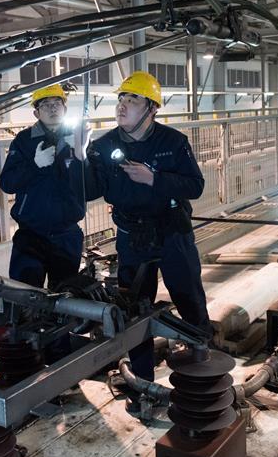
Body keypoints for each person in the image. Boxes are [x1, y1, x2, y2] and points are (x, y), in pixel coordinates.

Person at [71, 70, 212, 412]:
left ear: (151, 109)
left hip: (172, 231)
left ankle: (202, 375)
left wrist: (155, 179)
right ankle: (143, 384)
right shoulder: (104, 147)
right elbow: (90, 190)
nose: (122, 106)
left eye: (132, 100)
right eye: (121, 99)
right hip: (132, 236)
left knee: (189, 297)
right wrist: (77, 156)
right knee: (135, 310)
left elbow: (195, 186)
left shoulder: (172, 143)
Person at [0, 84, 85, 292]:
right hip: (31, 234)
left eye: (57, 103)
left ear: (65, 108)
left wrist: (81, 156)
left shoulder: (79, 139)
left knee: (65, 294)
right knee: (25, 293)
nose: (52, 108)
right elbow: (7, 183)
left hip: (67, 233)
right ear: (36, 112)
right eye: (45, 104)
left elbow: (92, 183)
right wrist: (34, 165)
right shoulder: (24, 141)